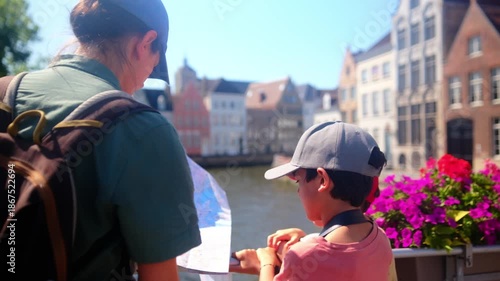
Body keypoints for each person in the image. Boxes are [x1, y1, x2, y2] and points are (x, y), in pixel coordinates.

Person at [8, 0, 201, 280]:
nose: (146, 81)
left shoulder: (5, 91)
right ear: (146, 43)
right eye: (154, 66)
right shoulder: (145, 129)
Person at [232, 121, 393, 280]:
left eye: (298, 181)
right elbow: (341, 258)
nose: (298, 191)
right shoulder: (380, 238)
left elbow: (322, 258)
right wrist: (307, 240)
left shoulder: (303, 256)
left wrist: (266, 263)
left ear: (323, 180)